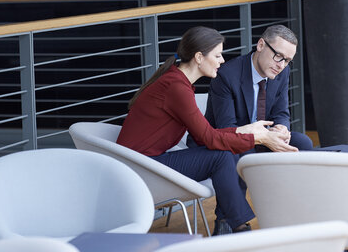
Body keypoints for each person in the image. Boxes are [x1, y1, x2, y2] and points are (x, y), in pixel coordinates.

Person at [116, 26, 297, 236]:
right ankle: (240, 228)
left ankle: (235, 227)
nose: (222, 61)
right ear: (199, 57)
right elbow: (207, 137)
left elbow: (203, 134)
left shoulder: (178, 83)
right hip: (140, 167)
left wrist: (247, 131)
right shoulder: (176, 87)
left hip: (149, 161)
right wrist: (257, 137)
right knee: (220, 157)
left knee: (222, 154)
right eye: (218, 55)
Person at [190, 24, 313, 152]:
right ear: (260, 45)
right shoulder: (226, 75)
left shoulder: (282, 71)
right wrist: (264, 137)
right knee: (248, 154)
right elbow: (227, 128)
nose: (281, 65)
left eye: (287, 60)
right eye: (278, 55)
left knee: (303, 143)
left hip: (264, 138)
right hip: (230, 141)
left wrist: (282, 128)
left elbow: (281, 112)